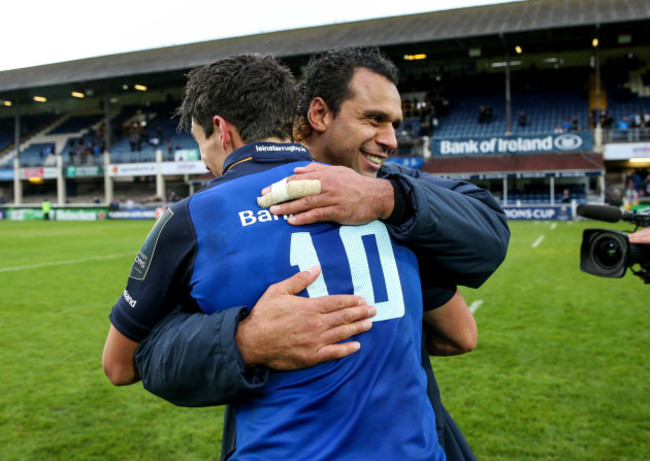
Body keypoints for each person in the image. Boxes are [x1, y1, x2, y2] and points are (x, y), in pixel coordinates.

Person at [125, 48, 510, 461]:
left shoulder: (390, 192)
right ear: (319, 115)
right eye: (374, 119)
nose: (392, 140)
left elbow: (481, 253)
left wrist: (387, 199)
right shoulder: (217, 219)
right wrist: (244, 339)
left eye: (394, 123)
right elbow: (145, 355)